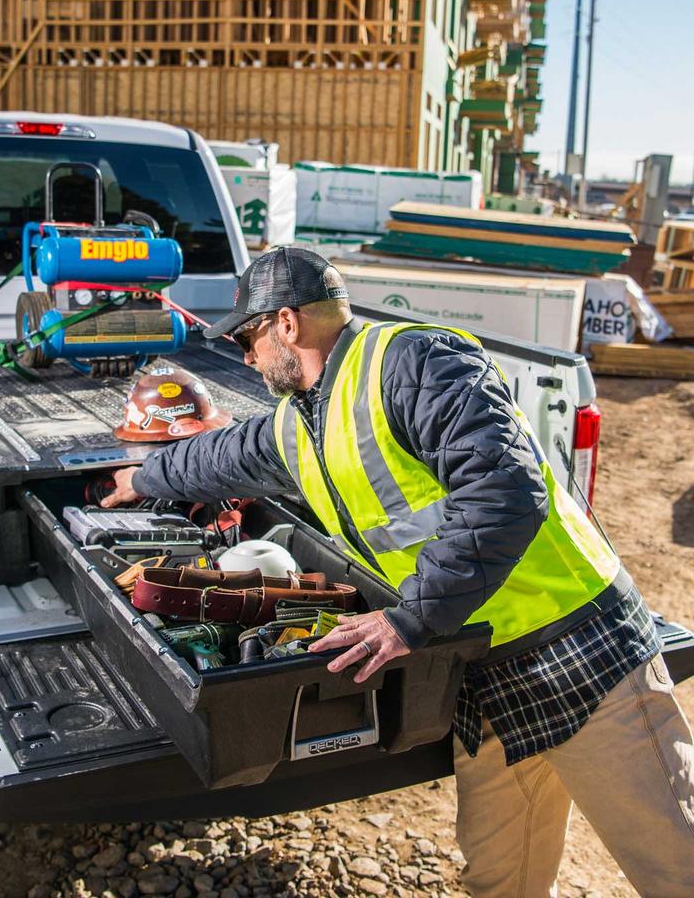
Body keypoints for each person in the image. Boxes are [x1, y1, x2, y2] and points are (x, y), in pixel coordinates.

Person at [101, 247, 694, 896]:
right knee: (501, 876)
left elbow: (504, 492)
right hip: (489, 667)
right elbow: (223, 455)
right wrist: (142, 477)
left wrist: (412, 620)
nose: (245, 356)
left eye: (249, 336)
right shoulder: (304, 419)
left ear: (288, 325)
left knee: (673, 861)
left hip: (581, 651)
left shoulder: (415, 362)